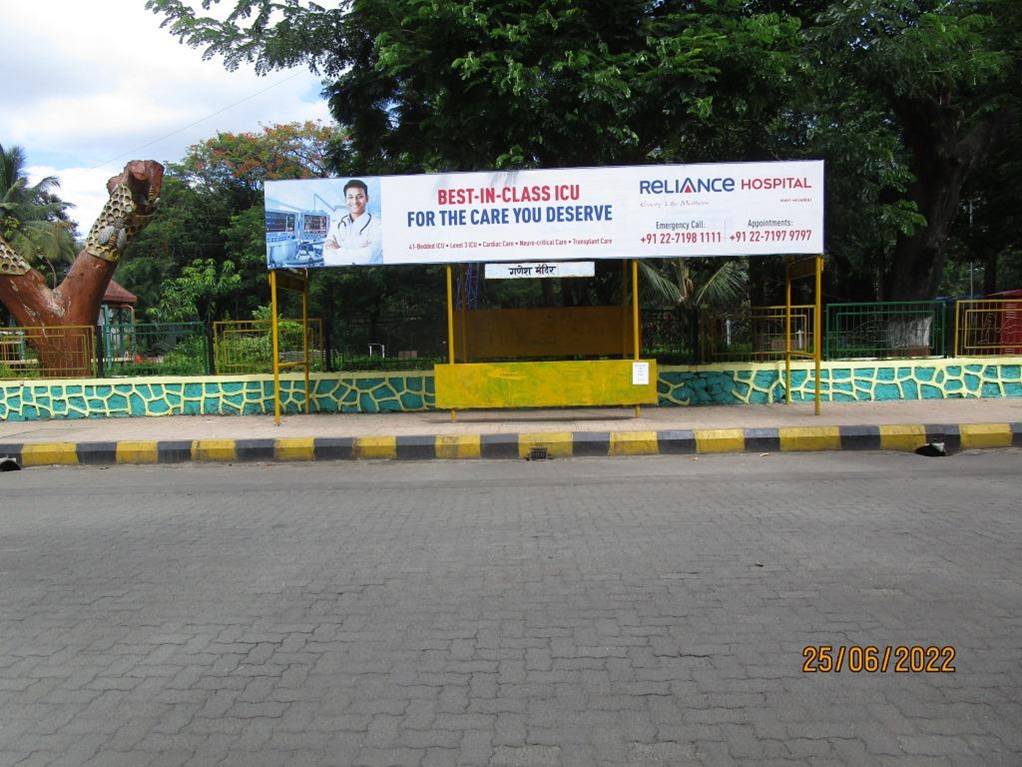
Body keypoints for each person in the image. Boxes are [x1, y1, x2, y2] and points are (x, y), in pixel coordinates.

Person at [322, 179, 383, 265]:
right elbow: (327, 257)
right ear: (345, 200)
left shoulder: (378, 225)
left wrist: (337, 249)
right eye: (350, 197)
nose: (355, 201)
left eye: (360, 196)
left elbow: (369, 257)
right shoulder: (336, 224)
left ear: (367, 198)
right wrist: (358, 253)